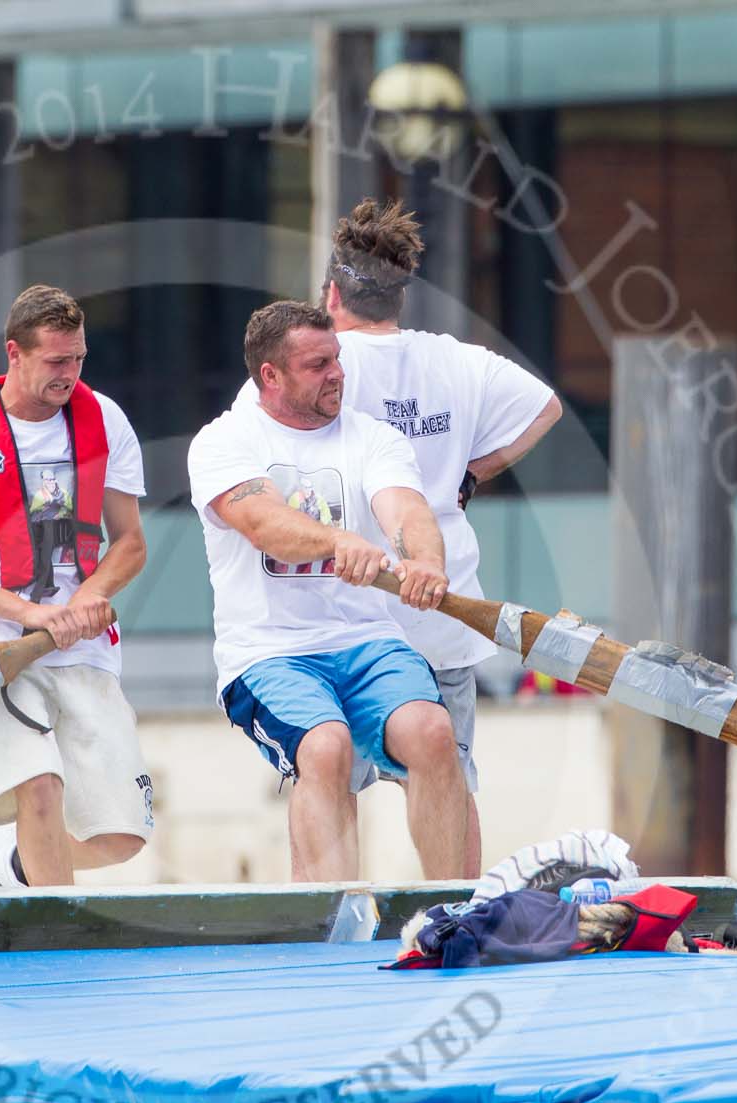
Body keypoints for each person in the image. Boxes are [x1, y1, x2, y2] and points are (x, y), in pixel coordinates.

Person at [310, 198, 563, 877]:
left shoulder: (325, 365)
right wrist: (472, 474)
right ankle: (460, 914)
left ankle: (336, 936)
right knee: (449, 780)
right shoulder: (456, 361)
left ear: (332, 293)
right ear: (398, 295)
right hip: (443, 611)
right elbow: (547, 406)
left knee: (331, 785)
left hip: (351, 620)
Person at [190, 300, 465, 881]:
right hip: (268, 653)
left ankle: (456, 913)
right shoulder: (224, 441)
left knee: (435, 734)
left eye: (336, 358)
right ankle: (329, 927)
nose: (338, 373)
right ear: (271, 375)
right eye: (318, 365)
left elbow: (406, 509)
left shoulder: (373, 438)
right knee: (325, 747)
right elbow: (265, 525)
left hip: (368, 642)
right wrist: (339, 540)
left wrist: (427, 562)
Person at [0, 285, 155, 887]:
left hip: (80, 645)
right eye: (56, 362)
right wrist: (26, 612)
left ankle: (16, 864)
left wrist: (90, 596)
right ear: (15, 353)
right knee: (38, 787)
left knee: (120, 838)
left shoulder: (105, 420)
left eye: (79, 360)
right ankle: (59, 945)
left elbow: (131, 543)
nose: (70, 375)